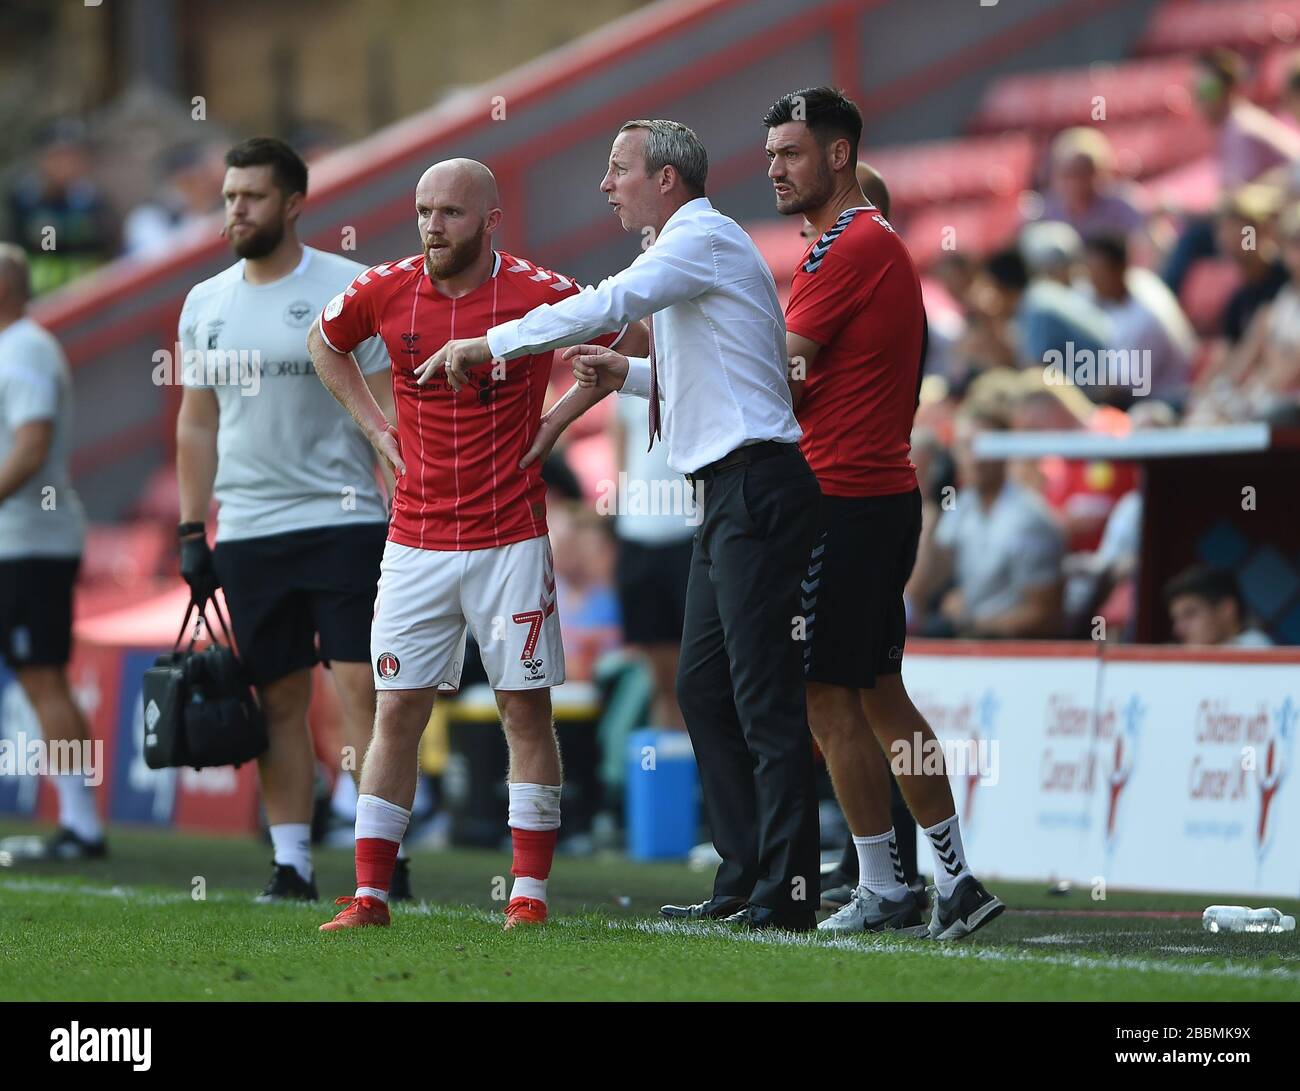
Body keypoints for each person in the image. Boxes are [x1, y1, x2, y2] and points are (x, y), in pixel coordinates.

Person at [424, 120, 823, 932]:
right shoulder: (696, 249)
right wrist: (630, 373)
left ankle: (789, 889)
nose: (606, 185)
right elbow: (711, 374)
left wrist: (487, 343)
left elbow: (608, 303)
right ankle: (744, 875)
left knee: (760, 695)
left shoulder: (699, 239)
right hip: (730, 491)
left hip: (757, 489)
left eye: (618, 170)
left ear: (667, 180)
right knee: (704, 687)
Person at [309, 158, 642, 932]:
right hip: (416, 539)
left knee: (524, 711)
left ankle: (527, 894)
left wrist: (558, 419)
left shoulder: (535, 289)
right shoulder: (386, 287)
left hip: (510, 538)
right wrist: (373, 425)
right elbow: (324, 344)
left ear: (492, 220)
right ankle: (371, 895)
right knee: (398, 713)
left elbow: (618, 334)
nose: (433, 227)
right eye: (424, 211)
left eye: (452, 213)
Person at [763, 86, 1003, 939]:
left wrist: (670, 369)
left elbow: (780, 374)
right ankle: (948, 878)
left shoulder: (851, 246)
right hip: (871, 497)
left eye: (791, 154)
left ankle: (898, 885)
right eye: (771, 156)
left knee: (833, 697)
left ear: (838, 155)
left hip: (845, 501)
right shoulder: (860, 245)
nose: (775, 171)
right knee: (873, 692)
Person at [176, 138, 400, 904]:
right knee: (277, 698)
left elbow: (387, 410)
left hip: (343, 519)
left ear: (295, 203)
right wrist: (187, 529)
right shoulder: (203, 302)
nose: (235, 209)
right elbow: (196, 423)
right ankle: (293, 863)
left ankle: (382, 858)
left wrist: (405, 503)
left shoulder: (349, 287)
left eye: (253, 197)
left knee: (358, 690)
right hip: (247, 530)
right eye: (230, 196)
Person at [0, 244, 96, 859]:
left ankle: (82, 825)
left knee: (42, 678)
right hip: (19, 540)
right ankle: (80, 821)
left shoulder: (28, 347)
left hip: (30, 540)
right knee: (41, 679)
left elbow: (31, 448)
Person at [911, 406, 1065, 640]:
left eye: (979, 447)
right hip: (975, 641)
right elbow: (927, 582)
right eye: (962, 446)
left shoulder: (1029, 519)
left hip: (1013, 652)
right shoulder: (963, 504)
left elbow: (1045, 617)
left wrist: (976, 622)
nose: (970, 457)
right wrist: (931, 508)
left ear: (1003, 451)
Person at [1164, 565, 1274, 647]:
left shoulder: (1255, 645)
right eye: (1176, 619)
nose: (1178, 629)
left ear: (1227, 609)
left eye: (1190, 614)